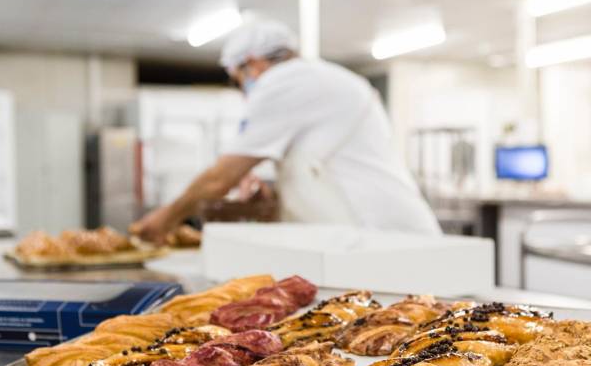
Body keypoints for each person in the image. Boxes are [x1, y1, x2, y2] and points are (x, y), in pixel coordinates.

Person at [130, 20, 441, 244]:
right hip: (379, 237)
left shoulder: (283, 82)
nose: (244, 91)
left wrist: (164, 220)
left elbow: (220, 178)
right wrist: (276, 192)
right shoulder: (318, 80)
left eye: (239, 81)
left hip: (383, 238)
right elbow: (326, 164)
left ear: (252, 65)